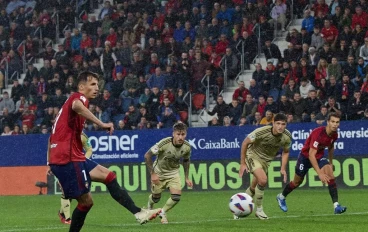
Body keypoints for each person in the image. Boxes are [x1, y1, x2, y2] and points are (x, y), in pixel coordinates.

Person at [47, 71, 161, 232]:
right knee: (86, 202)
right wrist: (101, 123)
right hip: (68, 158)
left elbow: (51, 138)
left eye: (97, 84)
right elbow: (77, 106)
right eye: (92, 84)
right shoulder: (78, 98)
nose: (97, 88)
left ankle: (139, 213)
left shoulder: (68, 106)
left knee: (109, 176)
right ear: (81, 86)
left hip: (71, 156)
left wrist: (50, 160)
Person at [276, 113, 347, 214]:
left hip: (319, 157)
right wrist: (319, 173)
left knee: (330, 176)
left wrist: (330, 163)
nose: (335, 124)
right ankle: (281, 197)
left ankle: (336, 206)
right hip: (305, 157)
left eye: (337, 122)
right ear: (328, 122)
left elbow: (331, 146)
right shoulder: (318, 134)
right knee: (297, 182)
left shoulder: (334, 134)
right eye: (332, 122)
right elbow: (311, 155)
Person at [238, 113, 292, 220]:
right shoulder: (262, 131)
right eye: (278, 124)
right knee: (263, 180)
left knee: (253, 188)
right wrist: (243, 163)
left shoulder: (287, 136)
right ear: (273, 123)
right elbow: (245, 143)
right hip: (252, 156)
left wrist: (283, 168)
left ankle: (239, 209)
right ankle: (259, 210)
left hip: (266, 161)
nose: (280, 126)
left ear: (286, 125)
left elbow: (286, 152)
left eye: (283, 124)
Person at [144, 122, 193, 224]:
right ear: (173, 134)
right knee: (156, 198)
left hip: (173, 173)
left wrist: (187, 177)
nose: (180, 137)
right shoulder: (164, 143)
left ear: (186, 134)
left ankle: (162, 212)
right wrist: (152, 174)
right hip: (159, 173)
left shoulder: (187, 147)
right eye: (178, 134)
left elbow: (186, 160)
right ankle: (149, 205)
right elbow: (147, 155)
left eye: (183, 134)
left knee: (176, 197)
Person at [57, 132, 93, 224]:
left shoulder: (83, 136)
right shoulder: (64, 133)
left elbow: (89, 149)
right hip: (65, 165)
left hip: (77, 167)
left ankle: (61, 213)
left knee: (73, 192)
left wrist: (83, 160)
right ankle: (67, 218)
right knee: (66, 191)